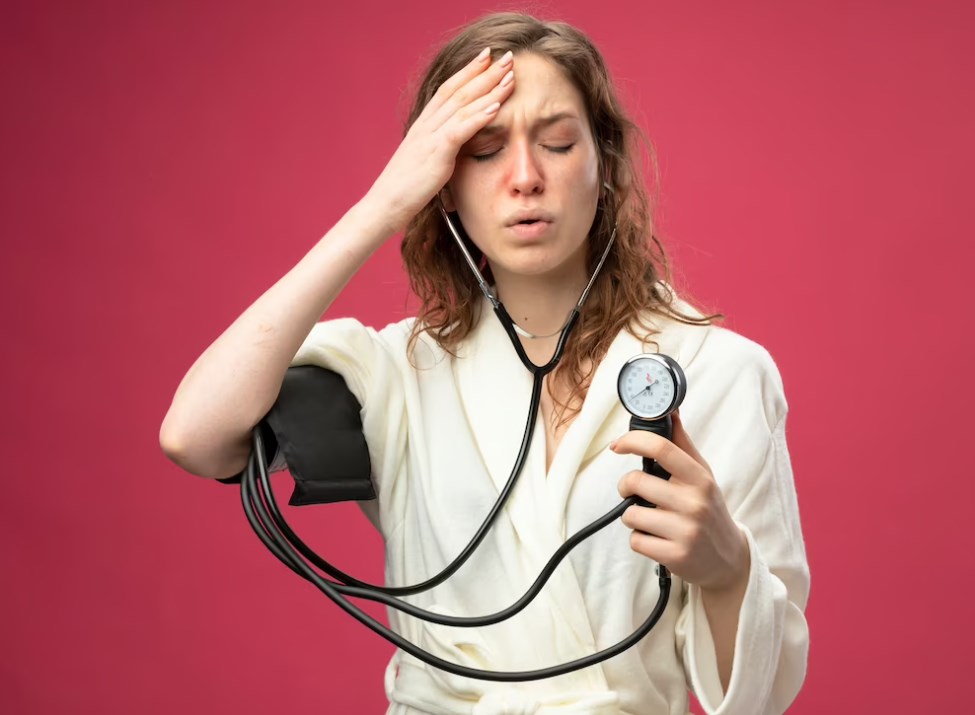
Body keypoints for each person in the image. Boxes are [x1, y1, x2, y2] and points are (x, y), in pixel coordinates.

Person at [160, 12, 809, 715]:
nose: (525, 177)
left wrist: (726, 569)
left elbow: (761, 697)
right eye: (484, 150)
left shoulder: (718, 371)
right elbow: (195, 436)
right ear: (441, 183)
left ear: (606, 161)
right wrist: (381, 205)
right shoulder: (396, 373)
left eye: (557, 143)